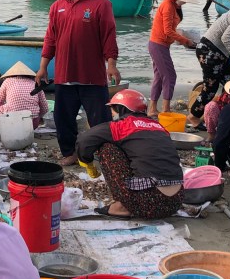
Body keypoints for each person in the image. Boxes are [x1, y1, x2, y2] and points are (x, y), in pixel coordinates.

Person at [37, 0, 119, 167]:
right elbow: (50, 39)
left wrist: (111, 65)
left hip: (92, 77)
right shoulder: (57, 7)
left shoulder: (101, 4)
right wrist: (43, 67)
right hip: (64, 75)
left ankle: (105, 154)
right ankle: (69, 152)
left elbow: (109, 36)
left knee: (100, 120)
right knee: (63, 119)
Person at [76, 89, 183, 219]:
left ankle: (122, 207)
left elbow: (84, 141)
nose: (112, 113)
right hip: (175, 201)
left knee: (107, 148)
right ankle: (131, 201)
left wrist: (87, 162)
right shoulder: (159, 127)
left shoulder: (122, 126)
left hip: (149, 204)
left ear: (121, 109)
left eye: (113, 109)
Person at [148, 0, 199, 118]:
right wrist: (185, 41)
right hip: (158, 44)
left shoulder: (174, 6)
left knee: (159, 76)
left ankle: (152, 109)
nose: (185, 2)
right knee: (170, 76)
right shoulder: (168, 6)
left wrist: (181, 38)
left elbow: (170, 30)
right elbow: (168, 31)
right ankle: (165, 109)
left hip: (160, 44)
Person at [0, 61, 48, 129]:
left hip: (12, 122)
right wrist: (38, 117)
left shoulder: (7, 81)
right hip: (32, 124)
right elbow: (45, 108)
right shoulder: (35, 84)